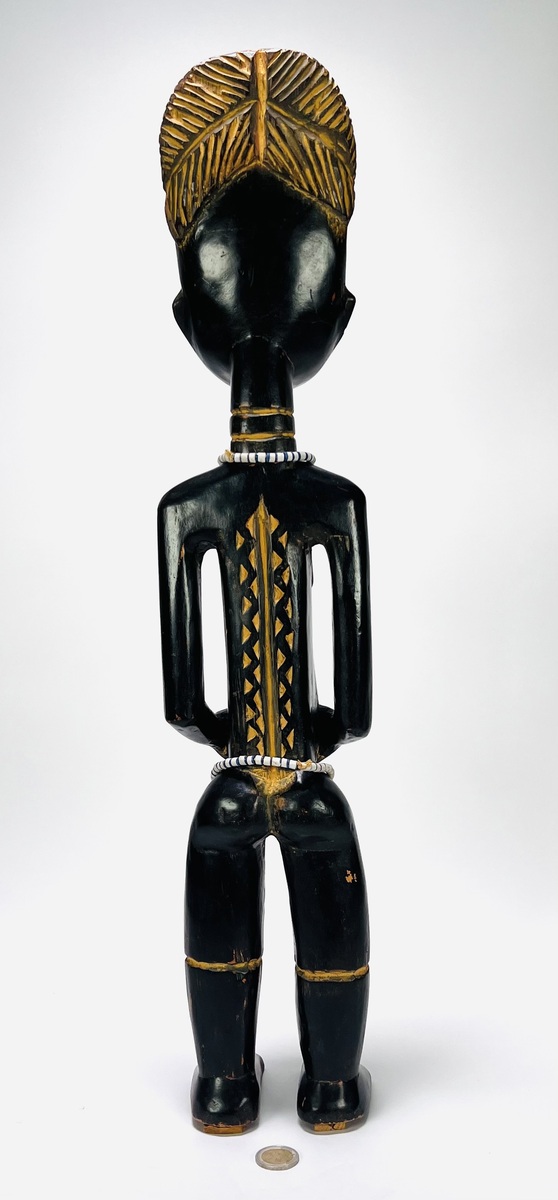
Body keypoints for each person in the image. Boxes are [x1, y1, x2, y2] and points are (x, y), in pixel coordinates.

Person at [158, 48, 372, 1134]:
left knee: (230, 916)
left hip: (233, 780)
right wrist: (320, 735)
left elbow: (182, 695)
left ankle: (242, 1083)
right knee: (322, 920)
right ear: (338, 313)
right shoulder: (325, 502)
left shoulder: (197, 507)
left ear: (188, 315)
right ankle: (303, 1082)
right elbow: (355, 697)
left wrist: (226, 737)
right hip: (302, 776)